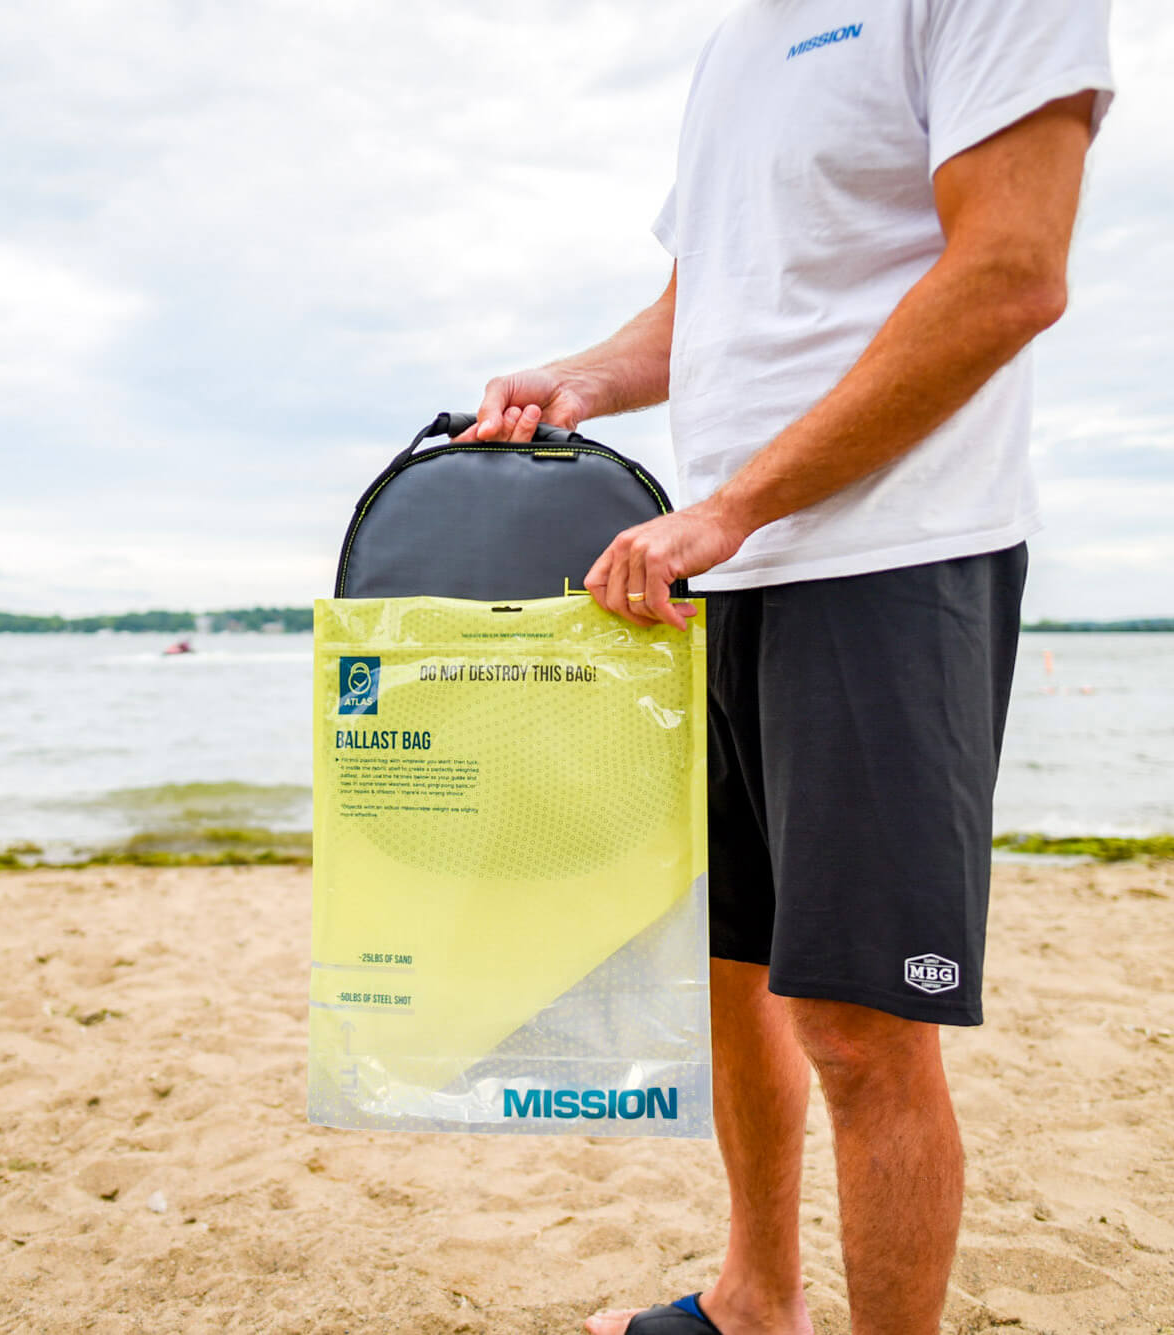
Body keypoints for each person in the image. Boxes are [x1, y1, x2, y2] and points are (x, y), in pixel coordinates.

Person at [462, 4, 1115, 1333]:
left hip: (895, 551)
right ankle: (756, 1298)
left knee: (860, 1025)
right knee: (734, 967)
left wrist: (733, 506)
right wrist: (580, 380)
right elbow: (714, 298)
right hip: (730, 572)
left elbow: (1012, 271)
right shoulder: (740, 41)